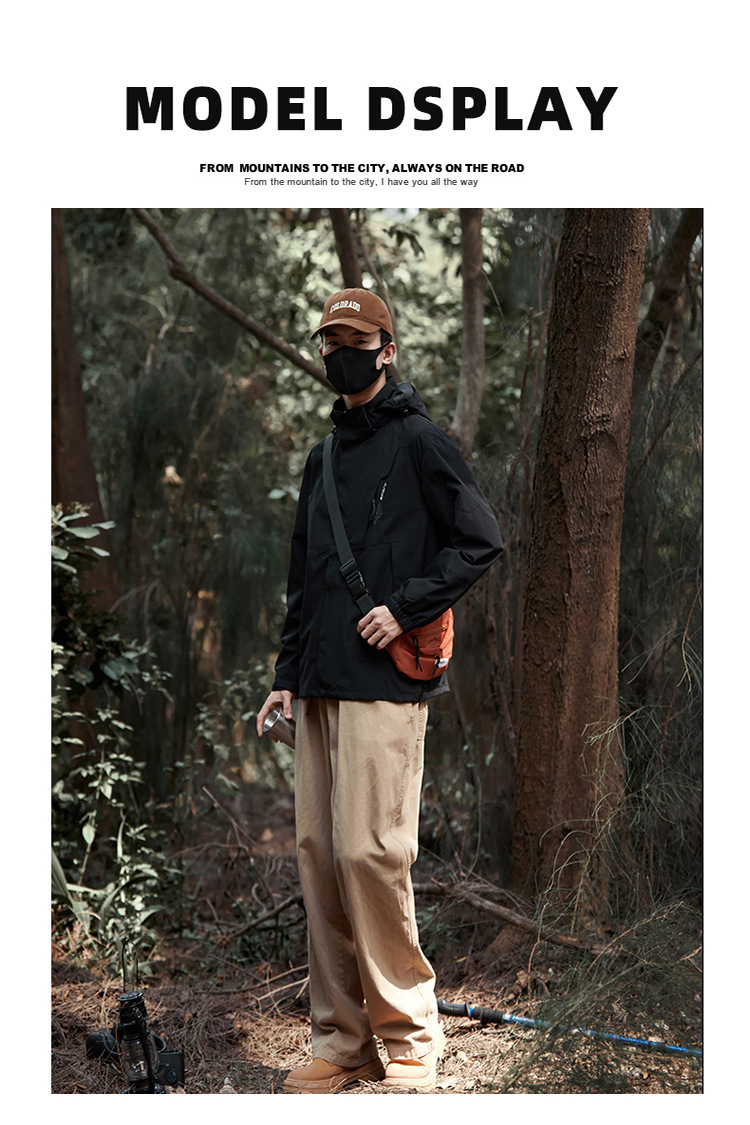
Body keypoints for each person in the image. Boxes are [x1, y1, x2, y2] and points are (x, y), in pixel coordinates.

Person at [256, 287, 503, 1093]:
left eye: (354, 341)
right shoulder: (321, 458)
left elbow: (480, 540)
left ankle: (411, 1034)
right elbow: (304, 580)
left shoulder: (423, 442)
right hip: (318, 684)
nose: (340, 353)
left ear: (387, 350)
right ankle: (344, 1040)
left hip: (385, 685)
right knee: (320, 857)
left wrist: (404, 607)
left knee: (371, 852)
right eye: (330, 341)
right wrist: (284, 677)